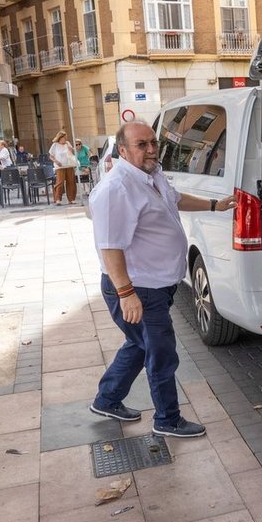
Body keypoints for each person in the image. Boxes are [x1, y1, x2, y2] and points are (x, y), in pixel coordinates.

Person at [87, 122, 236, 438]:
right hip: (137, 289)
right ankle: (167, 419)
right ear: (123, 150)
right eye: (141, 144)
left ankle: (107, 399)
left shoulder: (151, 176)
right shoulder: (117, 189)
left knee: (140, 345)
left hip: (155, 285)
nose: (151, 149)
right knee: (161, 353)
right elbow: (110, 247)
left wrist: (214, 205)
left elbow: (176, 198)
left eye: (153, 142)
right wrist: (126, 293)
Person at [48, 131, 77, 205]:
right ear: (59, 138)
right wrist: (56, 161)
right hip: (60, 166)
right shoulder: (55, 145)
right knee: (60, 182)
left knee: (71, 182)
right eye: (63, 138)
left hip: (69, 165)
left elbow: (72, 152)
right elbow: (51, 156)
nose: (64, 139)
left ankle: (71, 199)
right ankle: (58, 199)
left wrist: (70, 147)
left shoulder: (67, 143)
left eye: (65, 138)